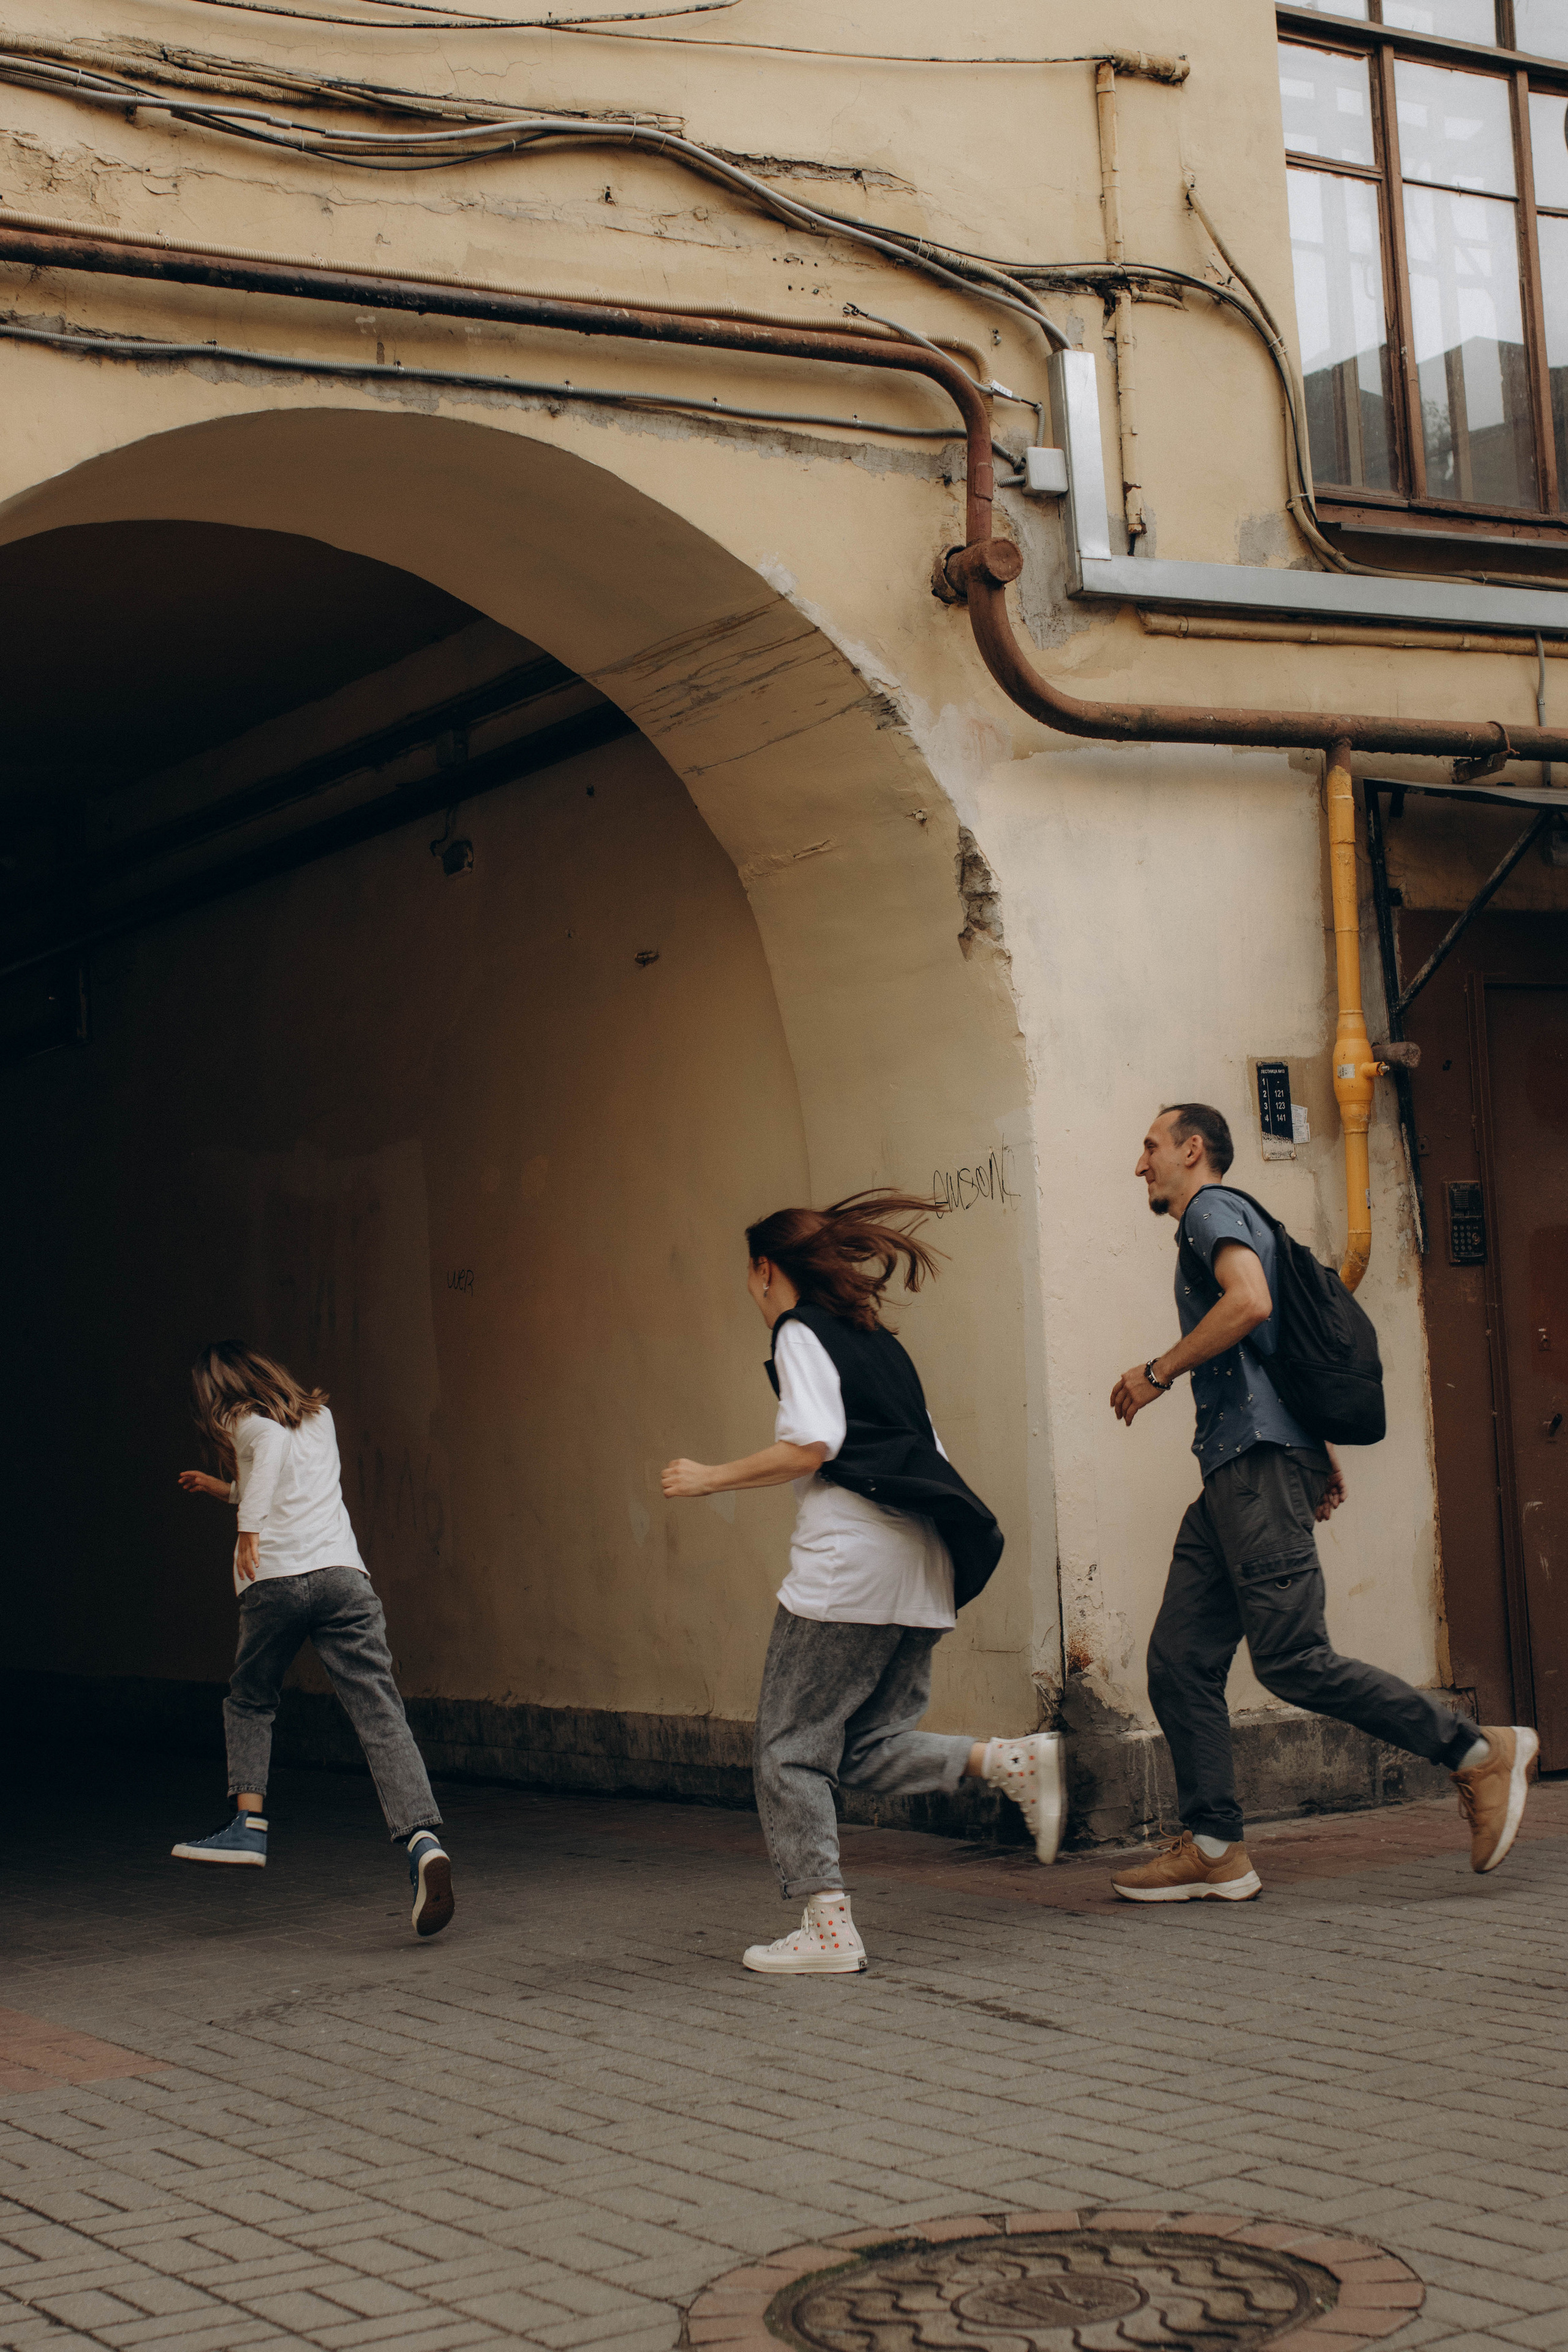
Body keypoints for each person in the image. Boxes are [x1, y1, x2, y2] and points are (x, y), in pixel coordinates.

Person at [1107, 1103, 1537, 1904]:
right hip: (1243, 1469)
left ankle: (1477, 1752)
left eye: (1150, 1147)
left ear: (1192, 1150)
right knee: (1179, 1659)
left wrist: (1155, 1374)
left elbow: (1250, 1305)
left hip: (1253, 1467)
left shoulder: (1209, 1208)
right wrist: (1318, 1451)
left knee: (1292, 1659)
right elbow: (1275, 1349)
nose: (1142, 1165)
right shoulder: (1228, 1215)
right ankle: (1214, 1847)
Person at [663, 1191, 1063, 1975]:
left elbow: (812, 1445)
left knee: (786, 1751)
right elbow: (926, 1451)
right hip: (922, 1567)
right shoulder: (878, 1341)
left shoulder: (797, 1331)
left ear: (764, 1269)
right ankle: (1008, 1761)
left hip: (851, 1566)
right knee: (861, 1746)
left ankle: (827, 1926)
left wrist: (710, 1477)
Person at [174, 1340, 455, 1939]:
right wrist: (223, 1490)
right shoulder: (319, 1418)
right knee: (380, 1713)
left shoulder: (243, 1419)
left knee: (251, 1698)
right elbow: (282, 1478)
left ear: (223, 1391)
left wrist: (247, 1528)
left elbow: (267, 1451)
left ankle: (248, 1825)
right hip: (343, 1581)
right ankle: (422, 1840)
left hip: (275, 1584)